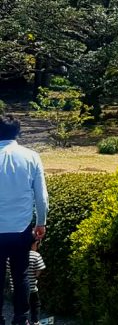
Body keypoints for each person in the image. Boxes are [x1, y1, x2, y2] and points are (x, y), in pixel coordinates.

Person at [0, 116, 48, 325]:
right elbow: (41, 196)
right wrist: (41, 222)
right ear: (18, 133)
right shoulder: (31, 156)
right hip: (21, 227)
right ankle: (22, 319)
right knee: (20, 275)